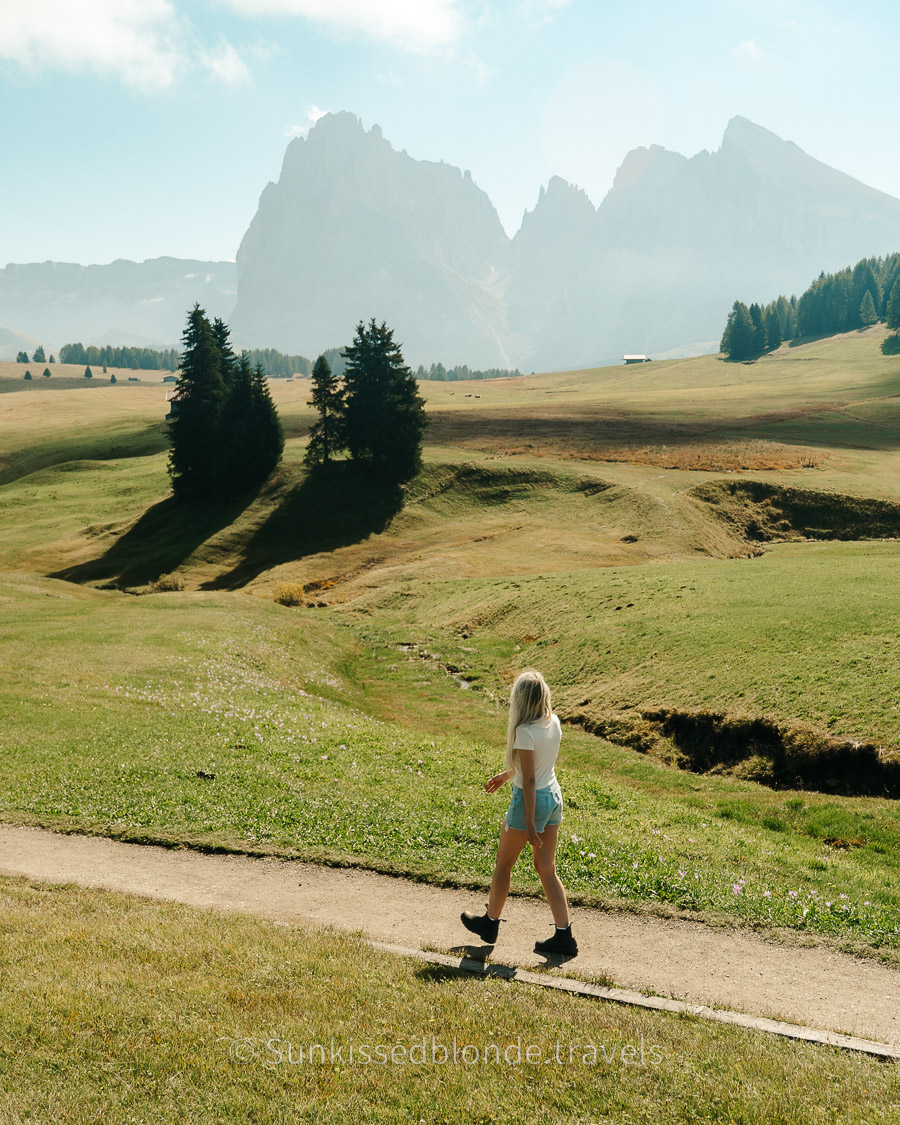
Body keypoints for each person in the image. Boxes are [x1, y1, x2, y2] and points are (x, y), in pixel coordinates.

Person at [461, 669, 577, 956]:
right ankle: (565, 936)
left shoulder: (524, 731)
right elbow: (536, 766)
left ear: (520, 701)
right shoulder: (554, 723)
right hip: (553, 797)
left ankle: (490, 924)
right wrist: (506, 774)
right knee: (546, 868)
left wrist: (528, 822)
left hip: (531, 800)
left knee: (503, 864)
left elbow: (528, 780)